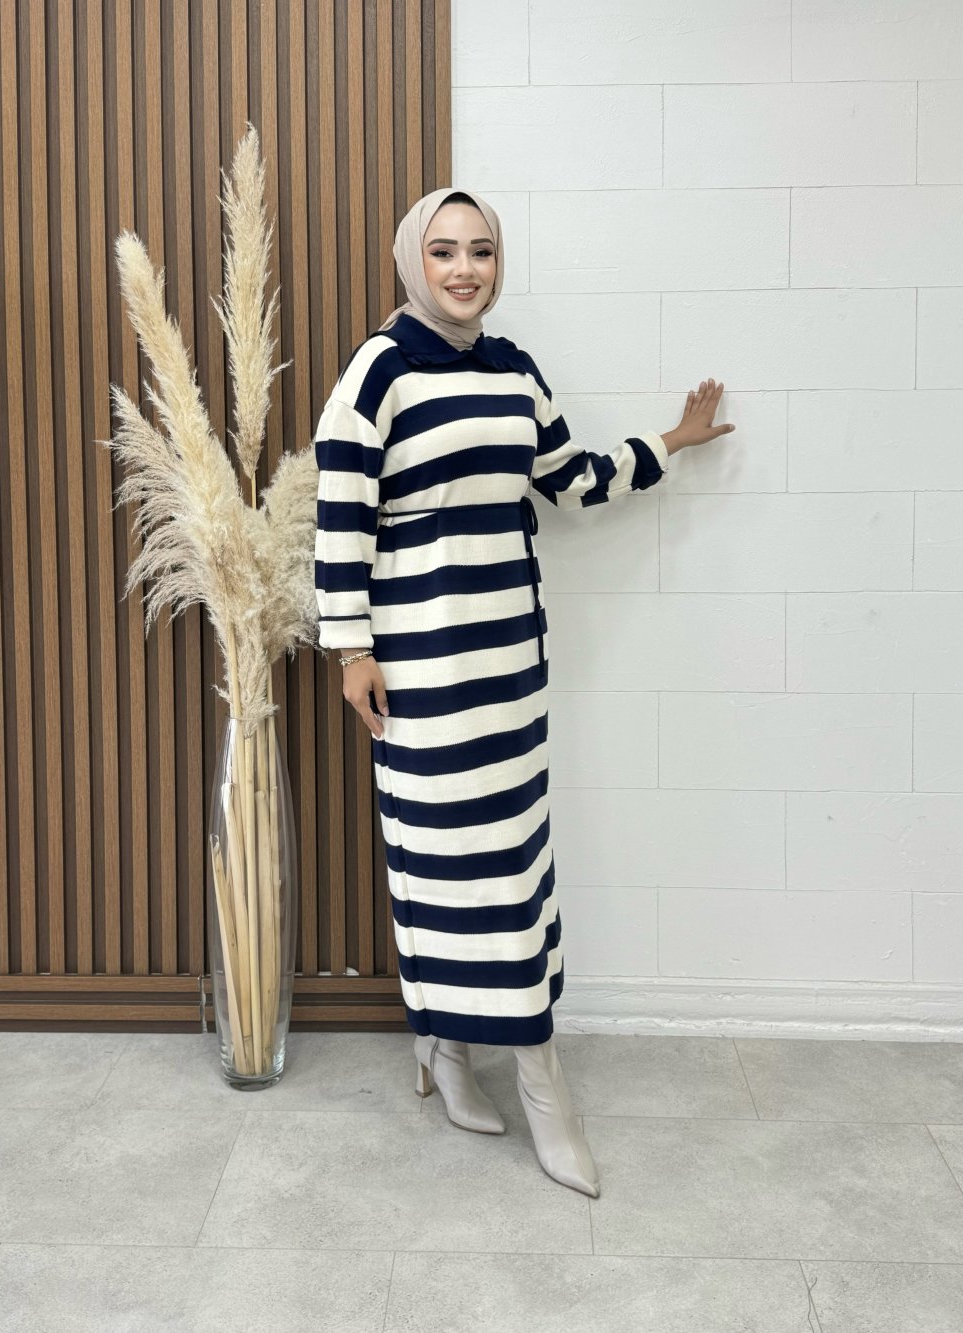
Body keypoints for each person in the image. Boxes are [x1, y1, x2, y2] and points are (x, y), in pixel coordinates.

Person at [313, 186, 734, 1197]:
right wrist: (349, 648)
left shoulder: (512, 370)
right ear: (413, 261)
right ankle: (516, 1074)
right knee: (448, 870)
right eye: (445, 251)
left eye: (482, 251)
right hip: (420, 673)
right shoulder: (378, 373)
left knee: (514, 865)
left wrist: (670, 443)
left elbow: (570, 478)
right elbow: (339, 512)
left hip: (510, 668)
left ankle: (461, 1051)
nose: (465, 269)